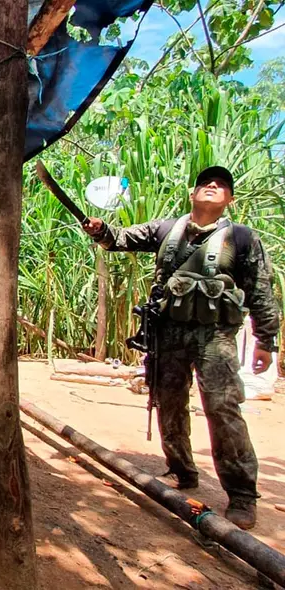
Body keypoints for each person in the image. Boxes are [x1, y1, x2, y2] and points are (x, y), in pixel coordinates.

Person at [83, 166, 279, 530]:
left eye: (221, 185)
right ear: (192, 193)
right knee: (168, 399)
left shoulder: (240, 238)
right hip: (168, 332)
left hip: (215, 335)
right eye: (205, 182)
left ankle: (241, 494)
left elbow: (261, 290)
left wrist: (266, 340)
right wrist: (101, 230)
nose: (212, 186)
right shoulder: (165, 230)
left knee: (222, 408)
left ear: (230, 200)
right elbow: (120, 238)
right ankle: (181, 471)